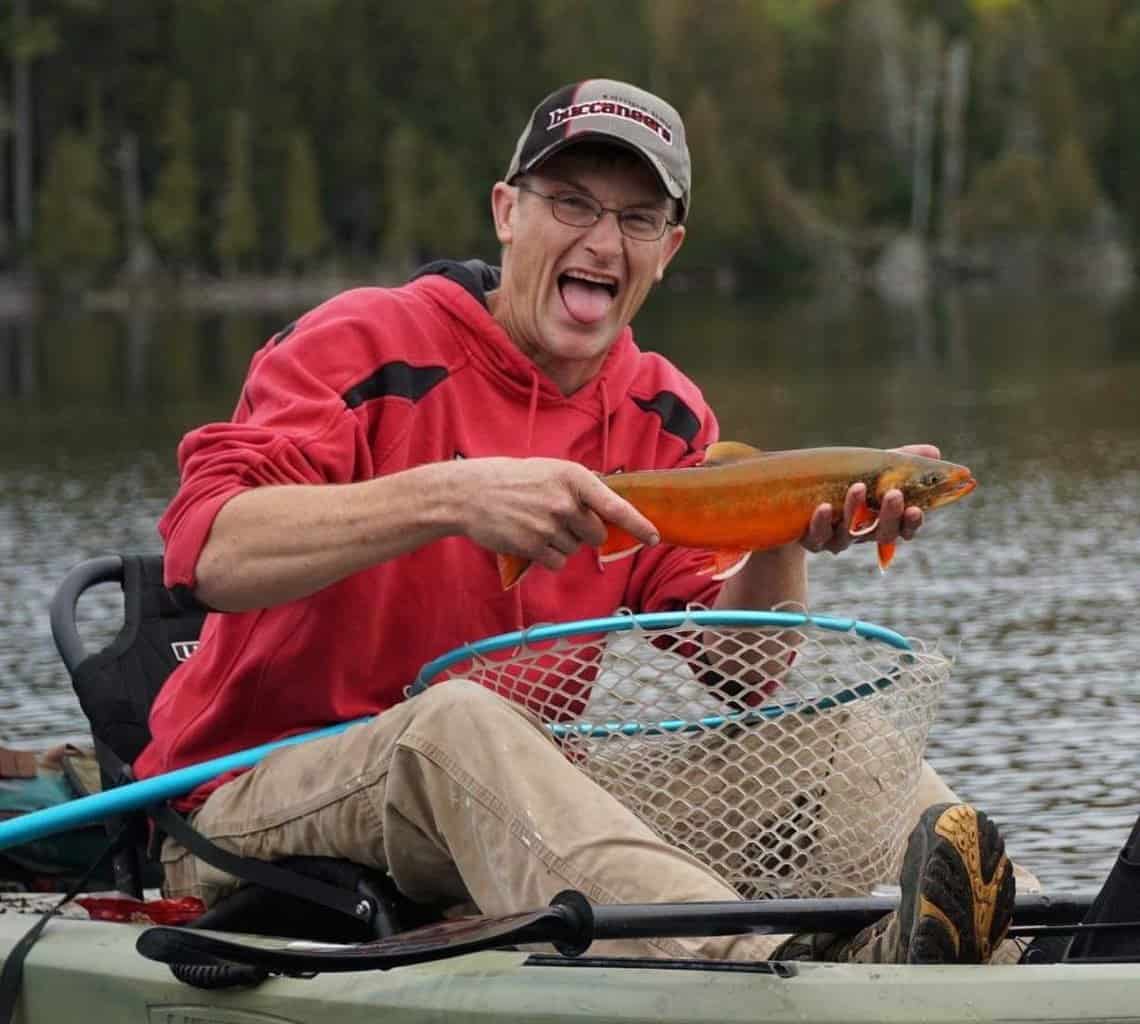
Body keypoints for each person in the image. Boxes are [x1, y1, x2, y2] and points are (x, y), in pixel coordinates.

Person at [136, 79, 1019, 964]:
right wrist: (453, 497)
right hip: (249, 803)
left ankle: (978, 968)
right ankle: (757, 975)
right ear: (506, 212)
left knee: (839, 748)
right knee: (458, 723)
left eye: (637, 219)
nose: (602, 241)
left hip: (512, 798)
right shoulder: (363, 342)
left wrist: (782, 528)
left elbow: (744, 671)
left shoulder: (664, 411)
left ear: (667, 250)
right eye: (571, 204)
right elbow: (208, 550)